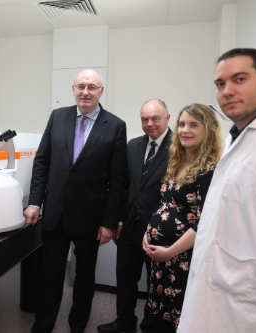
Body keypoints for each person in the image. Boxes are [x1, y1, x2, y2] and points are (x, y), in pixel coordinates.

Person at [178, 49, 256, 332]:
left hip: (253, 307)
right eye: (220, 84)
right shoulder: (236, 138)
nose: (227, 91)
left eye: (239, 79)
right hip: (217, 291)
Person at [24, 69, 128, 333]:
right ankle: (43, 325)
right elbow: (42, 162)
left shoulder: (115, 125)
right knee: (50, 276)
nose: (85, 92)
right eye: (81, 86)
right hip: (55, 214)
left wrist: (108, 222)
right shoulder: (58, 117)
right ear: (73, 89)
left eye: (92, 87)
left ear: (101, 92)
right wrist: (35, 202)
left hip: (90, 219)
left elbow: (117, 181)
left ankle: (77, 327)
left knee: (84, 278)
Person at [144, 103, 223, 332]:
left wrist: (170, 251)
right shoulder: (177, 162)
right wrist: (147, 235)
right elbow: (164, 205)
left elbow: (204, 223)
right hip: (161, 259)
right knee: (157, 314)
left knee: (178, 317)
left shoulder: (209, 170)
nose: (184, 130)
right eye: (181, 124)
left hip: (184, 260)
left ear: (208, 131)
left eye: (193, 125)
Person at [98, 99, 172, 333]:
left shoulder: (180, 147)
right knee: (126, 279)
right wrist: (118, 220)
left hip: (160, 231)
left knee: (156, 282)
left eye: (155, 119)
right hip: (129, 226)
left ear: (168, 118)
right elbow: (122, 187)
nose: (149, 124)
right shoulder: (133, 145)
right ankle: (124, 322)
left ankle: (150, 325)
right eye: (144, 119)